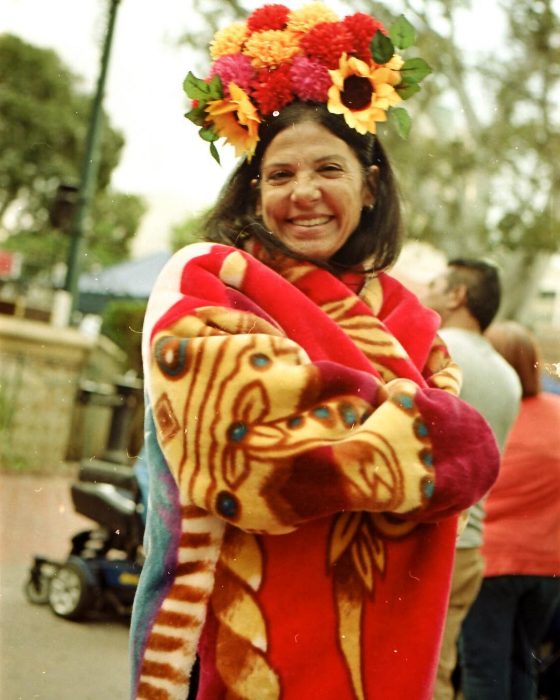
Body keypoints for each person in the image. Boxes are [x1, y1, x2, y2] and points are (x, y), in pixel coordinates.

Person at [129, 5, 500, 699]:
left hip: (374, 656)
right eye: (278, 176)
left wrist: (363, 424)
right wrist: (405, 433)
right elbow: (248, 461)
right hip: (230, 652)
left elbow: (466, 458)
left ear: (370, 185)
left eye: (328, 168)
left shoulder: (410, 318)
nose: (303, 193)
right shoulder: (205, 281)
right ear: (254, 192)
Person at [422, 259, 522, 700]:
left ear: (457, 296)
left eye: (436, 284)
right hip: (469, 545)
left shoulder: (432, 348)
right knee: (439, 671)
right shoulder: (509, 375)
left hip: (424, 542)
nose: (426, 290)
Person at [460, 321, 560, 700]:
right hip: (550, 566)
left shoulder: (488, 419)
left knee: (485, 669)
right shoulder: (557, 412)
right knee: (522, 663)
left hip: (493, 562)